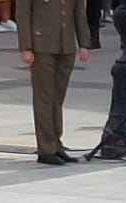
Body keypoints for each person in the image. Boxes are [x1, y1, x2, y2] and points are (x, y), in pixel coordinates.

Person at [17, 0, 89, 166]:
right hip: (42, 44)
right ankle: (46, 148)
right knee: (44, 97)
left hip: (66, 45)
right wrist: (26, 46)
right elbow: (23, 13)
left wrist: (84, 43)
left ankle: (56, 143)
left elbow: (79, 12)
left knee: (58, 97)